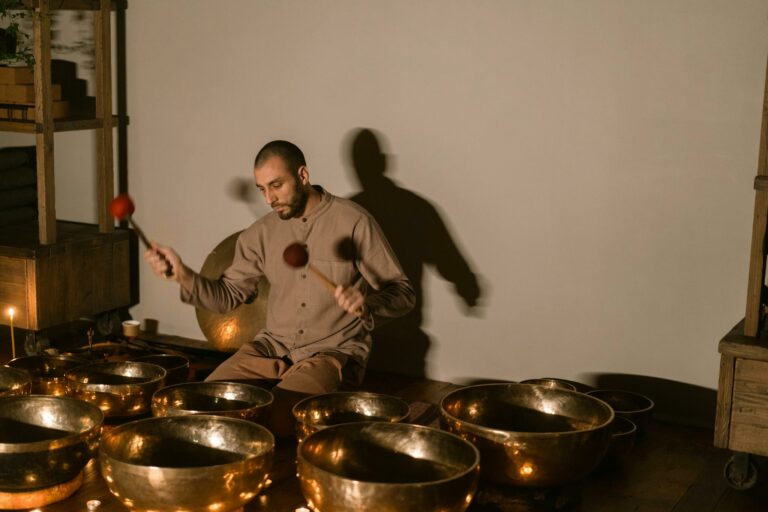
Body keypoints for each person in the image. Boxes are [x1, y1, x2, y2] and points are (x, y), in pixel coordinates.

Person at [144, 140, 415, 437]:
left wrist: (367, 304)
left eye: (276, 185)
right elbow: (226, 298)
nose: (269, 199)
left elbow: (403, 292)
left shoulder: (354, 221)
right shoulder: (260, 233)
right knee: (205, 404)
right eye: (262, 189)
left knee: (282, 420)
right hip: (271, 347)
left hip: (331, 353)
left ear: (302, 175)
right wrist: (182, 275)